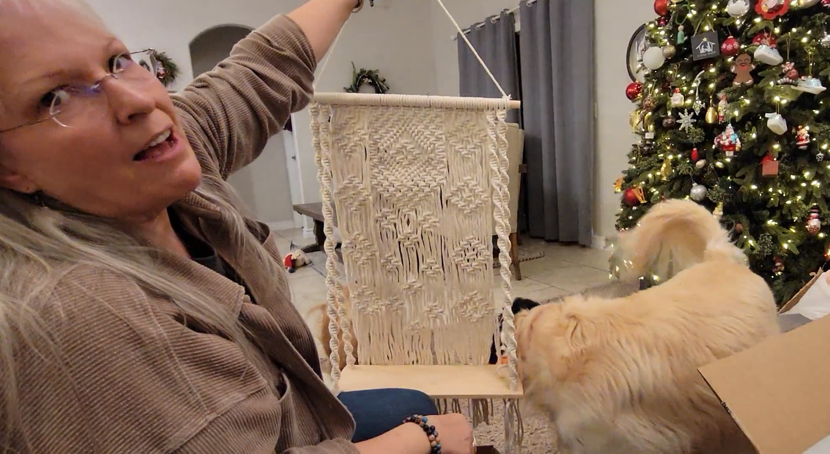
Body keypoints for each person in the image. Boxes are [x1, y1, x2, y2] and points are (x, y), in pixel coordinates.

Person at [0, 0, 476, 452]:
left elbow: (259, 74)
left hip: (300, 419)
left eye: (118, 61)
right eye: (55, 98)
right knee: (424, 419)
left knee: (413, 401)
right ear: (8, 168)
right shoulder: (83, 321)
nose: (138, 99)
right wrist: (423, 438)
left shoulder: (160, 169)